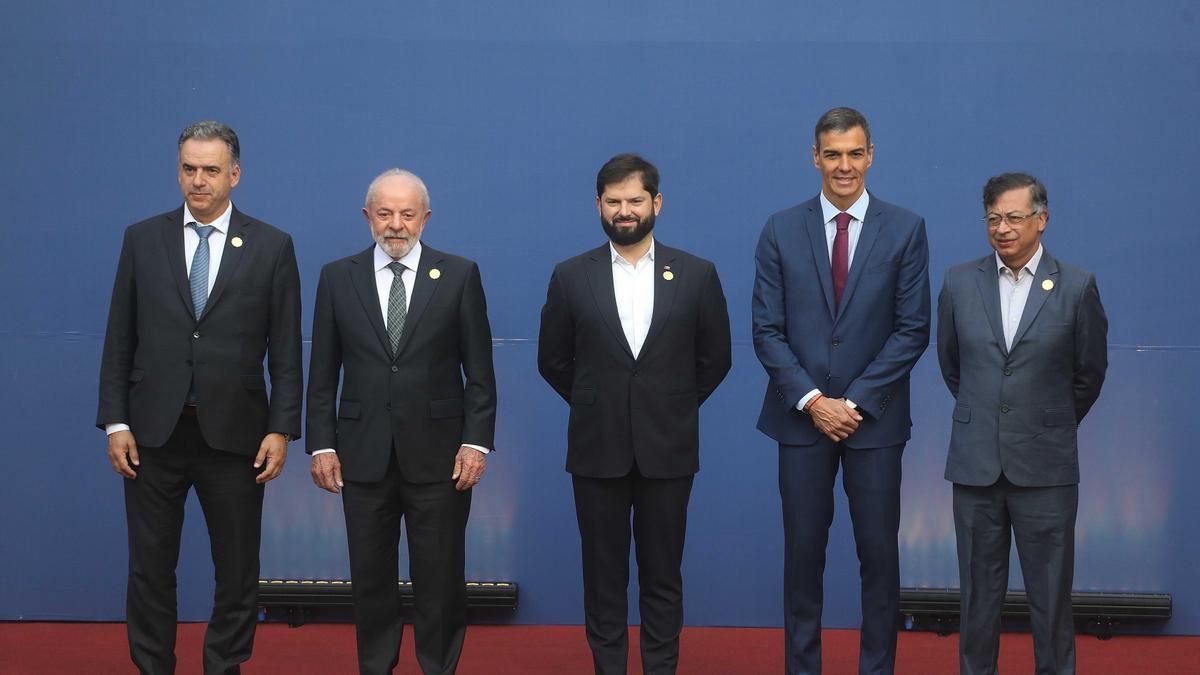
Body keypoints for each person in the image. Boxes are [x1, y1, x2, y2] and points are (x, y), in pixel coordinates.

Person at [96, 120, 303, 674]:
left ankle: (224, 666)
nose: (198, 180)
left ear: (235, 174)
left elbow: (286, 350)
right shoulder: (142, 239)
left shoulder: (272, 246)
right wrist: (116, 422)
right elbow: (119, 337)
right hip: (151, 435)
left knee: (237, 570)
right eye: (189, 168)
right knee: (149, 568)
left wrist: (281, 428)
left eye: (211, 170)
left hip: (237, 438)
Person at [751, 107, 931, 675]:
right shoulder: (780, 229)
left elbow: (912, 330)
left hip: (873, 424)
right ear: (815, 157)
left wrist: (850, 404)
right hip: (801, 422)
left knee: (879, 559)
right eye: (832, 154)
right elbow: (766, 330)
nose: (844, 165)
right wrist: (814, 402)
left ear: (871, 155)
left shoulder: (905, 228)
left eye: (855, 153)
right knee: (802, 560)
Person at [537, 153, 732, 675]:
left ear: (657, 203)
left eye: (635, 200)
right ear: (598, 205)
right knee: (603, 579)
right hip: (596, 450)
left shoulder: (696, 274)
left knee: (663, 577)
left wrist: (668, 407)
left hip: (668, 450)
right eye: (614, 201)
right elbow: (552, 360)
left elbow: (716, 359)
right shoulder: (570, 275)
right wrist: (598, 404)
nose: (624, 211)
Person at [306, 169, 496, 675]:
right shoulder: (336, 277)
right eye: (385, 214)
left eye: (407, 214)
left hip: (440, 456)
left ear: (425, 218)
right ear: (367, 216)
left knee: (441, 577)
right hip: (361, 454)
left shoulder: (459, 275)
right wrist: (321, 444)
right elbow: (322, 371)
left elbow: (480, 373)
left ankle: (439, 666)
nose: (396, 225)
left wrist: (476, 443)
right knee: (370, 577)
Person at [937, 172, 1107, 675]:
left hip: (1046, 467)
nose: (1002, 228)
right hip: (976, 466)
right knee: (977, 598)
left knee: (1051, 598)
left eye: (1013, 217)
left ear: (1042, 219)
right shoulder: (958, 283)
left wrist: (1047, 424)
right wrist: (990, 416)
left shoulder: (1076, 286)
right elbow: (952, 366)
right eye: (993, 218)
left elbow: (1089, 374)